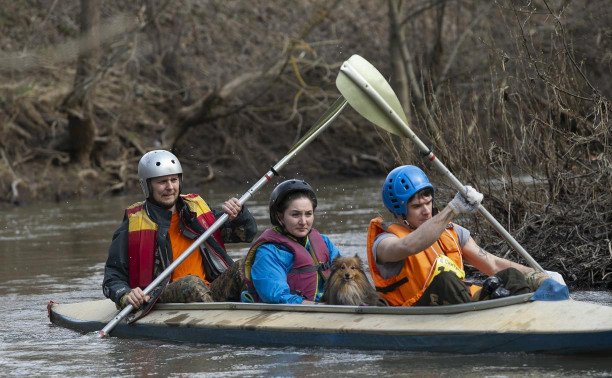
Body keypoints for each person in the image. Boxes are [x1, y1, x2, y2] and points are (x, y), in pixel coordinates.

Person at [367, 165, 556, 307]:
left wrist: (538, 276)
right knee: (445, 279)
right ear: (399, 212)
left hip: (461, 302)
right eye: (416, 207)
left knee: (511, 276)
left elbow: (493, 264)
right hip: (416, 312)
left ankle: (526, 317)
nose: (426, 211)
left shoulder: (451, 232)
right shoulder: (384, 243)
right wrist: (453, 208)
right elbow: (409, 246)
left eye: (428, 202)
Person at [102, 150, 257, 313]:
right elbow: (112, 277)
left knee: (244, 265)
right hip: (160, 297)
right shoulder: (133, 225)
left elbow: (246, 233)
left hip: (210, 292)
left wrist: (239, 214)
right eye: (162, 182)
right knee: (191, 284)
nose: (170, 187)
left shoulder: (196, 211)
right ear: (147, 186)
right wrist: (125, 295)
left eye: (174, 180)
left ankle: (263, 306)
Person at [242, 179, 342, 304]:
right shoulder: (268, 252)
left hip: (324, 306)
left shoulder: (324, 242)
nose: (303, 221)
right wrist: (318, 306)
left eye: (308, 214)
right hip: (289, 313)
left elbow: (347, 274)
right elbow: (275, 296)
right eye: (295, 215)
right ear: (280, 217)